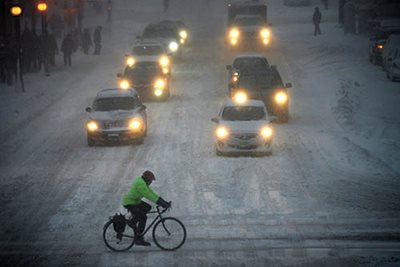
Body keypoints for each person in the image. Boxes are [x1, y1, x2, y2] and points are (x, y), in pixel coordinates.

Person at [122, 171, 170, 246]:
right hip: (130, 202)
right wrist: (161, 203)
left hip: (135, 201)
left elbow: (151, 193)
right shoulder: (140, 184)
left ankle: (134, 223)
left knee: (148, 207)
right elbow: (149, 195)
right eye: (150, 180)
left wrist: (163, 201)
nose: (151, 182)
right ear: (147, 179)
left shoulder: (142, 182)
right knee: (143, 217)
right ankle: (137, 237)